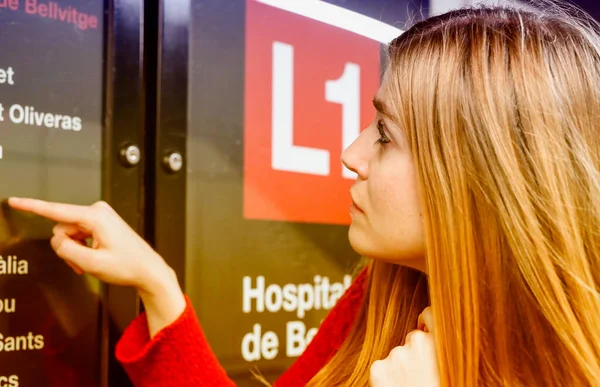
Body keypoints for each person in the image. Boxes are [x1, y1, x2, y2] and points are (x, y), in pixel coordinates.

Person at [9, 1, 600, 385]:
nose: (350, 155)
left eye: (386, 136)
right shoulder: (381, 295)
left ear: (482, 180)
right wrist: (157, 286)